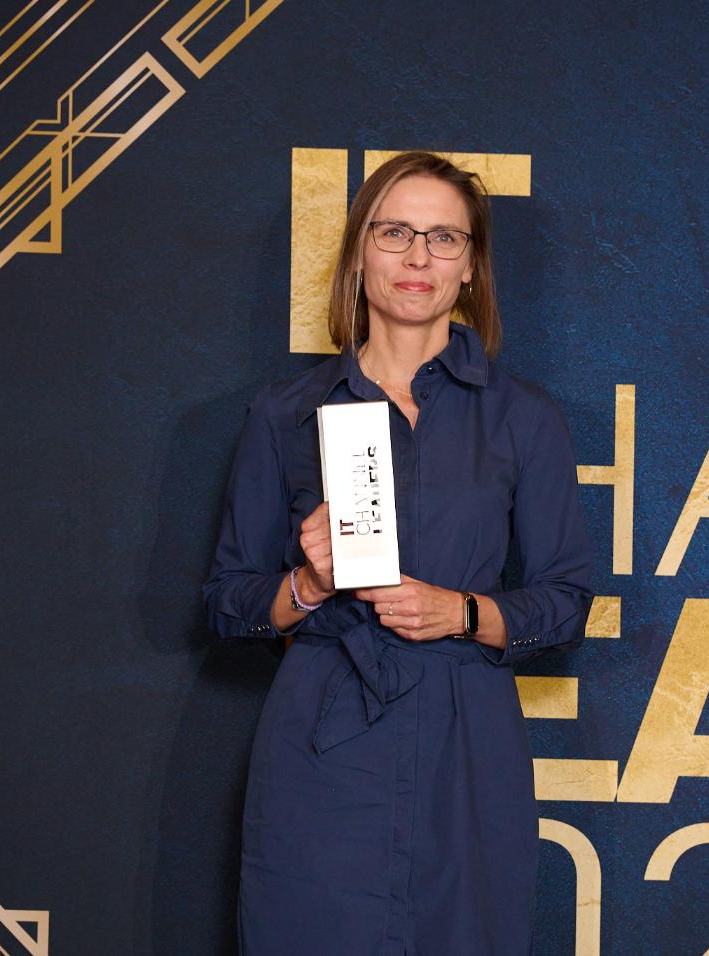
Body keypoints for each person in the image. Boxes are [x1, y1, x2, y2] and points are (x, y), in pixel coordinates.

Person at [202, 151, 594, 955]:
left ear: (470, 265)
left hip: (467, 734)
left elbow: (566, 602)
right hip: (323, 731)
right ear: (359, 251)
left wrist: (465, 612)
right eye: (395, 233)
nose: (418, 257)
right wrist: (308, 585)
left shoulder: (525, 418)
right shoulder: (285, 413)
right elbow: (227, 602)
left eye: (444, 238)